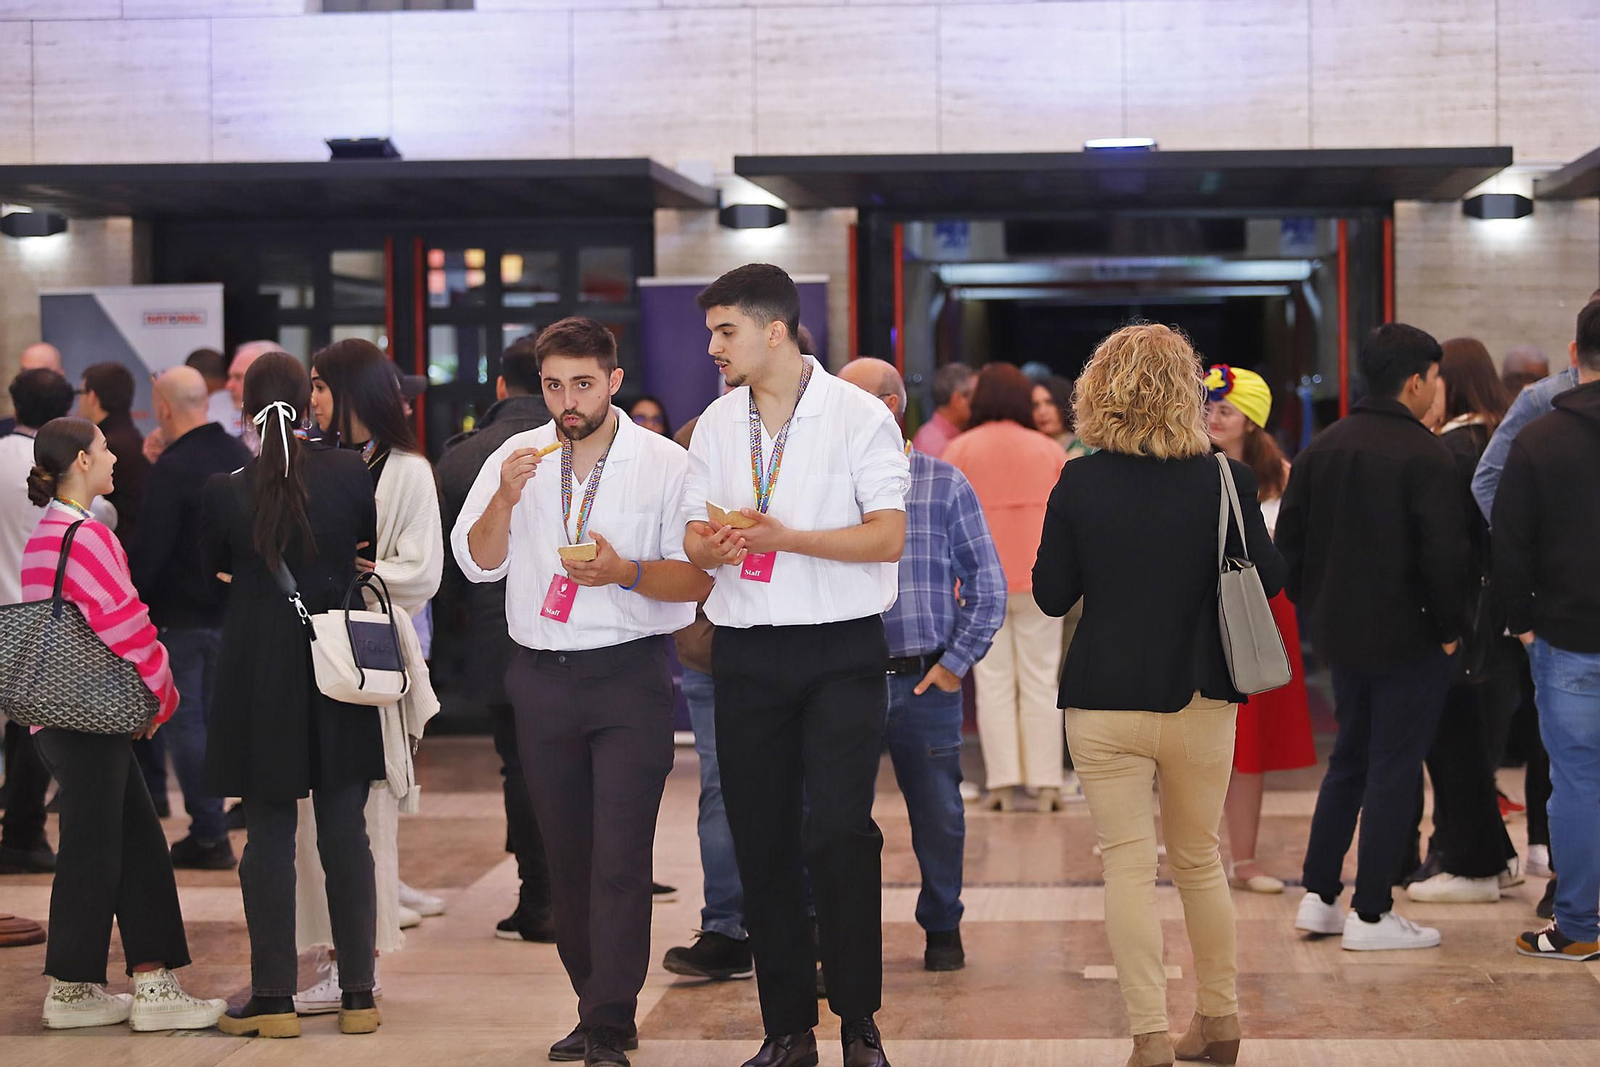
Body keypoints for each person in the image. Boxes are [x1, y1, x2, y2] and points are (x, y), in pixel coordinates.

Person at [453, 316, 711, 1067]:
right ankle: (593, 1002)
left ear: (614, 381)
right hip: (539, 678)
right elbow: (477, 563)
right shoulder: (516, 454)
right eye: (555, 385)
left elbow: (695, 579)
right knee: (565, 857)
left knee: (619, 858)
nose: (569, 401)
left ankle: (608, 1018)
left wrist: (624, 570)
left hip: (628, 675)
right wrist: (502, 500)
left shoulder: (665, 464)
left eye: (583, 384)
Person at [1034, 323, 1282, 1067]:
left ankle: (1148, 1034)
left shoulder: (1080, 478)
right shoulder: (1228, 480)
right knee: (1201, 860)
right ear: (1188, 393)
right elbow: (1268, 581)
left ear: (1097, 392)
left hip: (1105, 699)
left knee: (1127, 867)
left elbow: (1051, 594)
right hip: (1205, 693)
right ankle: (1220, 1020)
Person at [683, 264, 908, 1067]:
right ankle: (787, 1030)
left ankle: (859, 1021)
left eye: (725, 330)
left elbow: (887, 535)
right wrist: (709, 544)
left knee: (842, 831)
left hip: (841, 647)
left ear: (773, 330)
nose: (712, 345)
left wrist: (789, 539)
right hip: (746, 651)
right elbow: (690, 535)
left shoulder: (857, 416)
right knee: (762, 837)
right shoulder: (714, 424)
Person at [21, 416, 226, 1033]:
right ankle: (75, 986)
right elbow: (126, 623)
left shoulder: (44, 535)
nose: (116, 457)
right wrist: (160, 692)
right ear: (81, 461)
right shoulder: (87, 536)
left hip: (57, 714)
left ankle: (149, 977)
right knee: (94, 848)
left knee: (135, 843)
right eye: (105, 448)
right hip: (93, 716)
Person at [203, 353, 383, 1038]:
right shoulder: (346, 471)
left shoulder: (226, 488)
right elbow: (362, 548)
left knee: (269, 834)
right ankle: (359, 994)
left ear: (245, 410)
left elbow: (208, 568)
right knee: (346, 831)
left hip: (258, 672)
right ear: (309, 404)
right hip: (335, 665)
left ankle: (274, 997)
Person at [1281, 323, 1469, 951]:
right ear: (1415, 380)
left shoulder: (1321, 450)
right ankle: (1371, 914)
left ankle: (1319, 896)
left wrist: (1323, 614)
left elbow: (1289, 554)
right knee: (1394, 766)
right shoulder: (1426, 455)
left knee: (1350, 762)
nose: (1436, 391)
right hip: (1412, 640)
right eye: (1435, 379)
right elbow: (1448, 559)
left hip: (1343, 639)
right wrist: (1449, 632)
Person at [292, 337, 444, 1012]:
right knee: (312, 817)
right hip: (315, 652)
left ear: (354, 391)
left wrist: (363, 567)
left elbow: (424, 569)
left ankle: (362, 962)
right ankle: (328, 953)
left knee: (367, 815)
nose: (314, 399)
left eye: (323, 386)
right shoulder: (316, 459)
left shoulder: (407, 468)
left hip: (372, 655)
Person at [839, 357, 1005, 973]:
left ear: (887, 407)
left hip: (924, 680)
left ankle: (943, 927)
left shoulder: (941, 483)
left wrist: (957, 663)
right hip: (844, 679)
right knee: (836, 820)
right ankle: (840, 941)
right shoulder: (824, 486)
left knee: (938, 813)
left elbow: (987, 583)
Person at [434, 335, 556, 943]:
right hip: (582, 630)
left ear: (501, 387)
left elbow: (445, 568)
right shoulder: (587, 441)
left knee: (521, 770)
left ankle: (539, 900)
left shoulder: (462, 457)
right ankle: (581, 893)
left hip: (495, 636)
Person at [1494, 298, 1600, 962]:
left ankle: (1580, 924)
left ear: (1572, 354)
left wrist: (1525, 628)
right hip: (1563, 637)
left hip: (1567, 639)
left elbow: (1509, 546)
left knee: (1579, 781)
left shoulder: (1538, 438)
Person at [1403, 339, 1520, 904]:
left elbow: (1447, 549)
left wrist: (1445, 625)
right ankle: (1492, 858)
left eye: (1431, 378)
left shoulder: (1455, 450)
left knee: (1454, 743)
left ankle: (1472, 863)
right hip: (1494, 621)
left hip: (1463, 624)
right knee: (1468, 741)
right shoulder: (1497, 439)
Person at [124, 367, 251, 872]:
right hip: (234, 614)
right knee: (218, 724)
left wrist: (132, 606)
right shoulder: (239, 456)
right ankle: (220, 823)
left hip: (180, 618)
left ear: (162, 408)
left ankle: (208, 831)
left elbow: (150, 552)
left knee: (187, 725)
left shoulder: (173, 470)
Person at [1203, 365, 1316, 894]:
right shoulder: (1189, 468)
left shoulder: (1284, 478)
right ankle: (1199, 853)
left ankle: (1243, 857)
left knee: (1252, 743)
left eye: (1226, 410)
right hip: (1201, 611)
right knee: (1195, 739)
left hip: (1265, 613)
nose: (1213, 418)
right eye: (1207, 407)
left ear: (1253, 420)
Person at [943, 364, 1067, 811]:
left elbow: (947, 521)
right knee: (1041, 680)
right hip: (1041, 582)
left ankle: (1002, 784)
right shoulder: (1047, 450)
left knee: (992, 682)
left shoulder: (960, 449)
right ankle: (1047, 784)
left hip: (979, 585)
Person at [660, 411, 756, 984]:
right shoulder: (696, 437)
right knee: (721, 788)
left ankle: (812, 923)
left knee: (806, 789)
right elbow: (670, 536)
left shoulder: (825, 428)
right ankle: (724, 929)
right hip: (713, 653)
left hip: (792, 642)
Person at [0, 369, 80, 876]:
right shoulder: (58, 468)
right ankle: (24, 834)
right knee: (30, 730)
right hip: (36, 616)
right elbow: (98, 521)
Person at [79, 362, 149, 547]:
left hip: (113, 547)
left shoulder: (103, 447)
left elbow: (93, 507)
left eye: (81, 393)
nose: (79, 401)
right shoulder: (135, 438)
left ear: (92, 397)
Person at [224, 340, 286, 447]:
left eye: (238, 377)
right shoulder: (234, 446)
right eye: (230, 377)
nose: (229, 386)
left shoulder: (299, 444)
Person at [911, 363, 975, 459]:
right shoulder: (934, 444)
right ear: (957, 400)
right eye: (975, 396)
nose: (981, 401)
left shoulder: (952, 436)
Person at [0, 342, 63, 437]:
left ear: (60, 375)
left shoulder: (80, 434)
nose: (28, 382)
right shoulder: (3, 432)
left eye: (39, 374)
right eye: (24, 372)